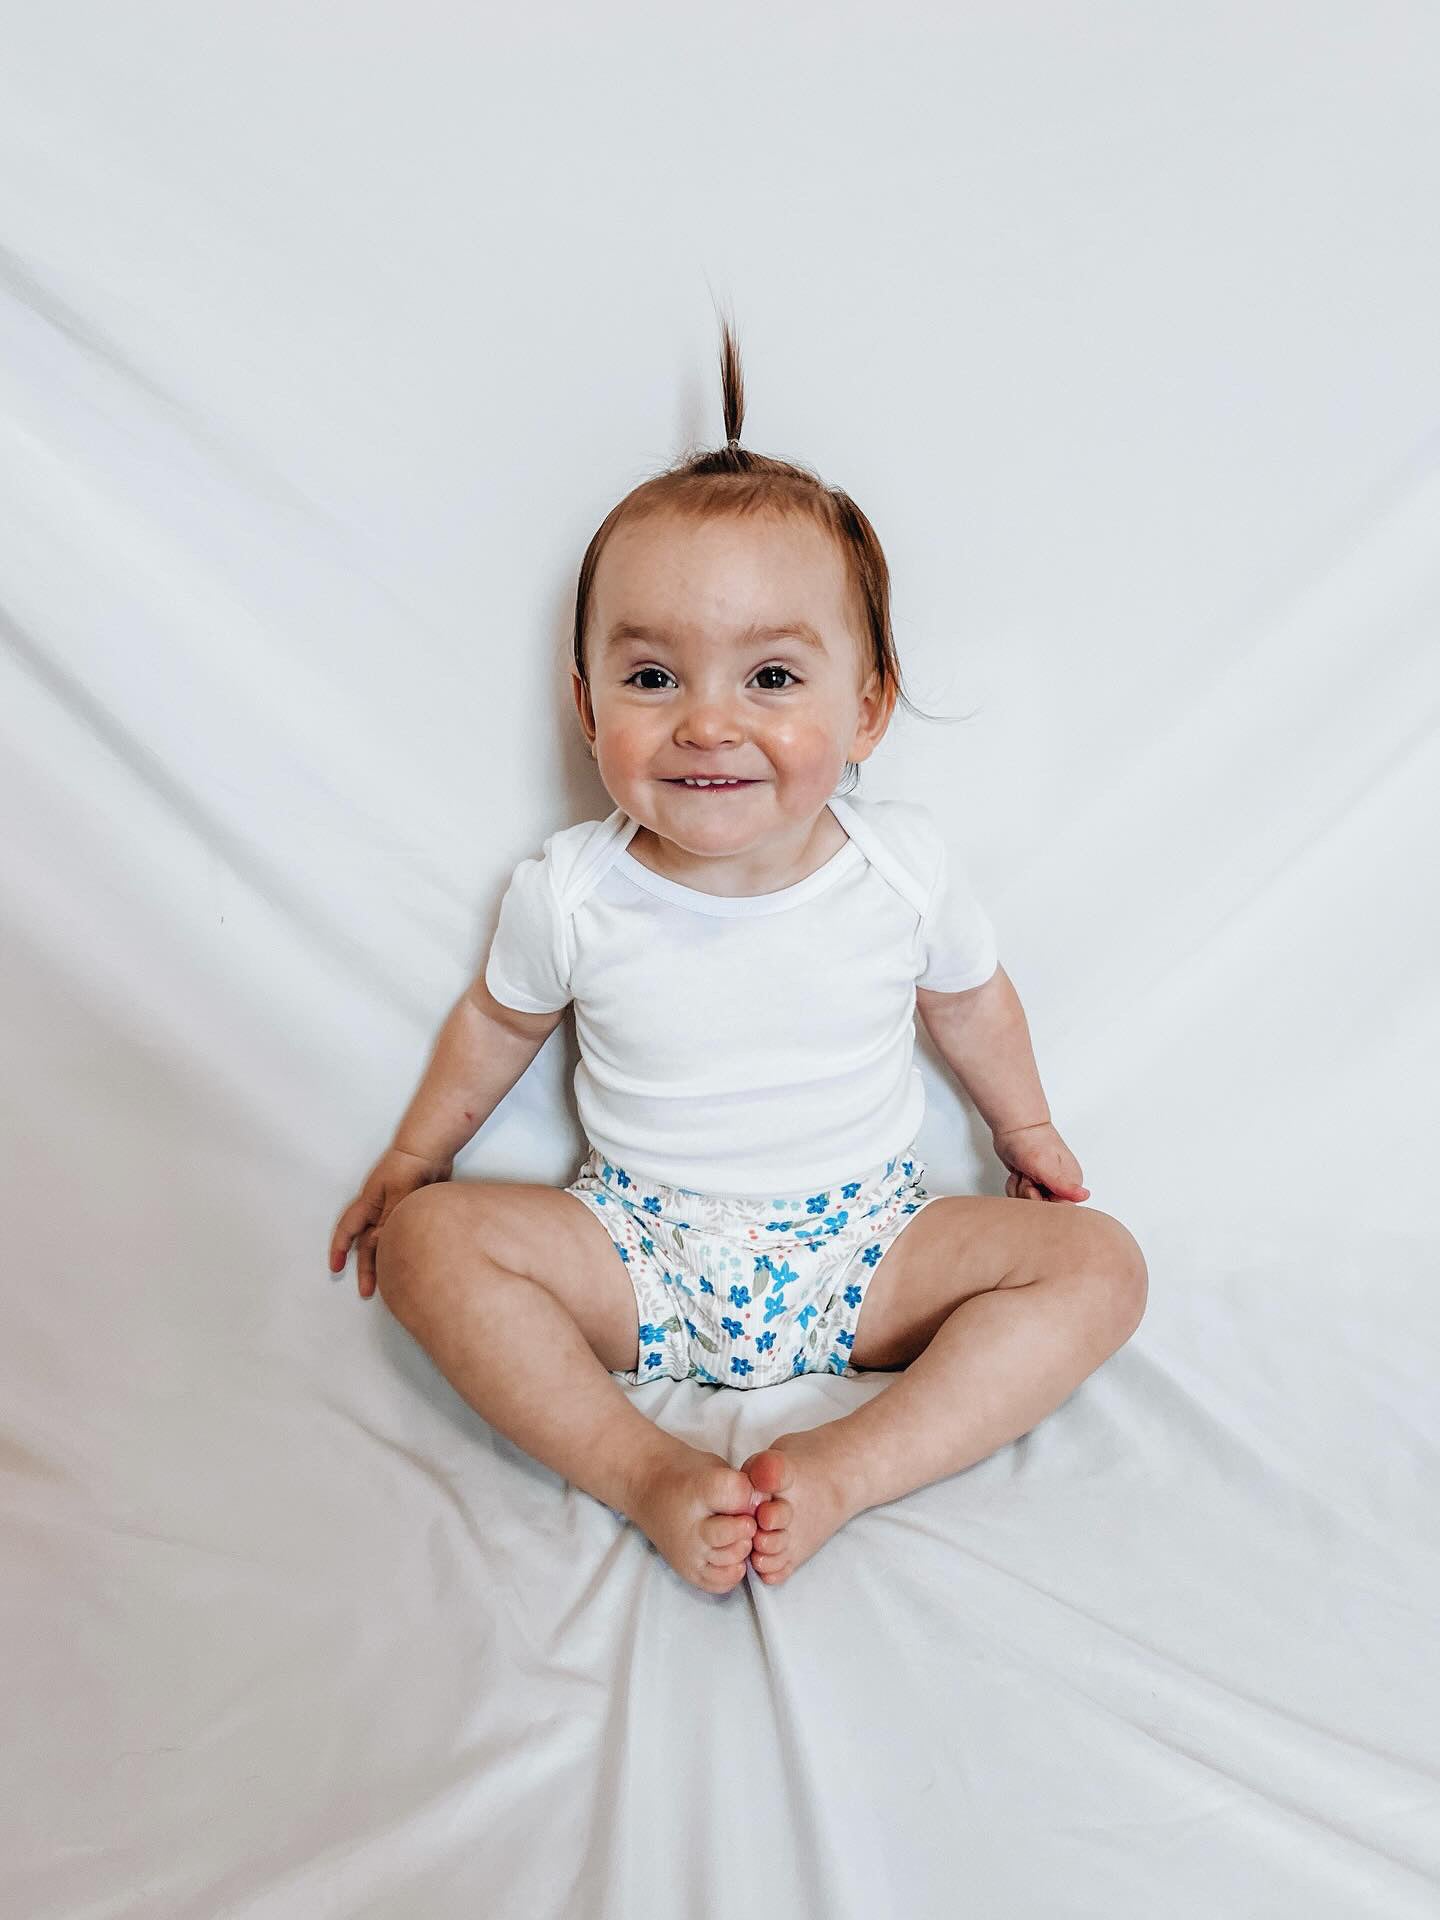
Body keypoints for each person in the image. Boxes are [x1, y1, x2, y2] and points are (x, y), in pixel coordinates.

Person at [328, 318, 1148, 1595]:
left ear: (866, 707)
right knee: (433, 1248)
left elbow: (972, 1002)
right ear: (587, 704)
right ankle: (642, 1468)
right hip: (638, 1246)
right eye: (653, 676)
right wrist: (416, 1155)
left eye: (771, 675)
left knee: (1101, 1269)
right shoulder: (574, 891)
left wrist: (1028, 1132)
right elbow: (496, 1028)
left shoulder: (902, 870)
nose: (708, 721)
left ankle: (847, 1469)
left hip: (866, 1247)